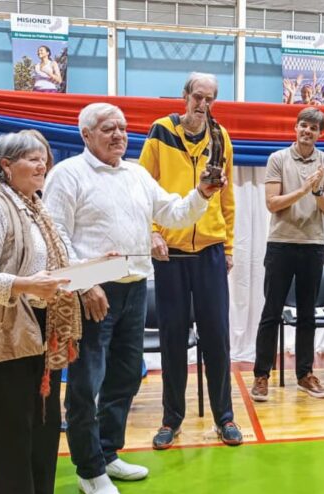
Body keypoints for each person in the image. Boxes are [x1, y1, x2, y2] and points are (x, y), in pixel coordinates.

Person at [43, 102, 225, 494]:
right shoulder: (67, 175)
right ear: (86, 134)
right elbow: (55, 237)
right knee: (85, 383)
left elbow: (174, 215)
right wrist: (84, 282)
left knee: (124, 378)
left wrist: (202, 193)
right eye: (108, 128)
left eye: (123, 128)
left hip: (135, 287)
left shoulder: (137, 174)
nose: (119, 135)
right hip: (92, 291)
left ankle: (107, 454)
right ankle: (89, 470)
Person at [0, 131, 81, 494]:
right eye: (32, 158)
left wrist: (98, 268)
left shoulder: (39, 207)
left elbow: (61, 260)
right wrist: (26, 285)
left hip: (46, 326)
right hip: (10, 327)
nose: (43, 164)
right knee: (13, 432)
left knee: (44, 425)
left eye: (44, 157)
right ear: (5, 166)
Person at [138, 72, 241, 450]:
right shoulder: (160, 131)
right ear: (184, 97)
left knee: (217, 339)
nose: (203, 104)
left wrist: (228, 247)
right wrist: (152, 232)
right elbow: (142, 188)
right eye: (198, 97)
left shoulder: (221, 137)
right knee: (172, 339)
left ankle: (224, 417)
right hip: (171, 254)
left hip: (211, 253)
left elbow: (228, 200)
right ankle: (171, 420)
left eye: (210, 99)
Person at [250, 106, 324, 401]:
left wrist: (316, 191)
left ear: (320, 134)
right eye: (303, 126)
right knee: (271, 311)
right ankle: (262, 375)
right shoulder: (278, 159)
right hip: (281, 244)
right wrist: (304, 189)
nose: (307, 132)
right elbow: (273, 204)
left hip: (313, 245)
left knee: (307, 315)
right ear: (295, 128)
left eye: (314, 128)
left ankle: (304, 374)